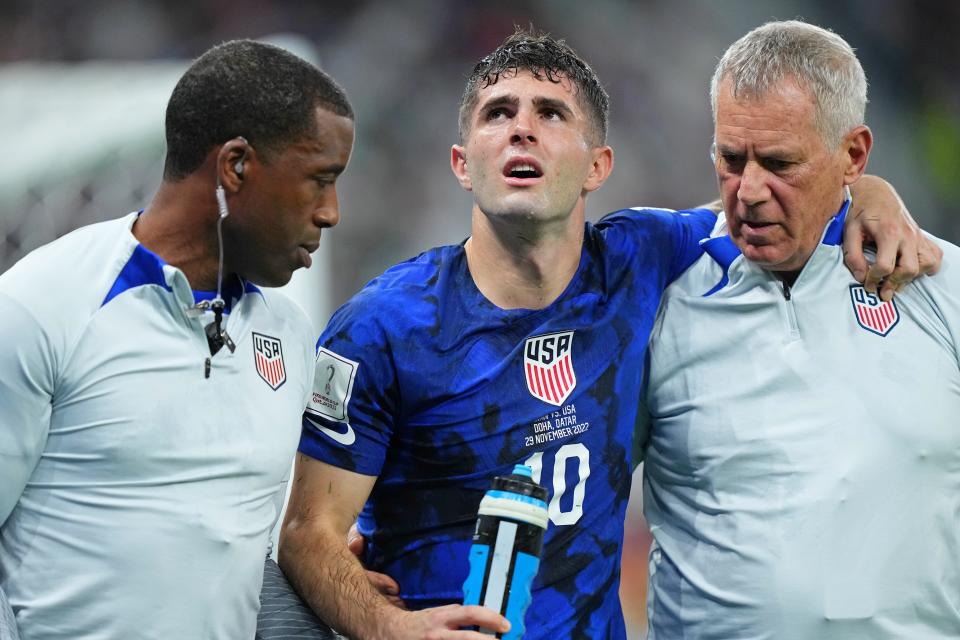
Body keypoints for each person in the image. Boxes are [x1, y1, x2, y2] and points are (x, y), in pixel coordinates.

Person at [277, 29, 938, 640]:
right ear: (460, 161)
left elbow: (776, 201)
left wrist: (869, 191)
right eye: (498, 113)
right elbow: (308, 534)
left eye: (551, 114)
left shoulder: (639, 260)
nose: (522, 132)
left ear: (598, 166)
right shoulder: (381, 328)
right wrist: (392, 630)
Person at [0, 40, 355, 639]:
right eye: (320, 180)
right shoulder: (43, 306)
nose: (331, 212)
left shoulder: (290, 335)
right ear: (235, 166)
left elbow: (236, 554)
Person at [642, 20, 960, 638]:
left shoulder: (941, 285)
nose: (749, 191)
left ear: (853, 155)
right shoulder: (656, 297)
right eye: (731, 160)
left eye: (781, 163)